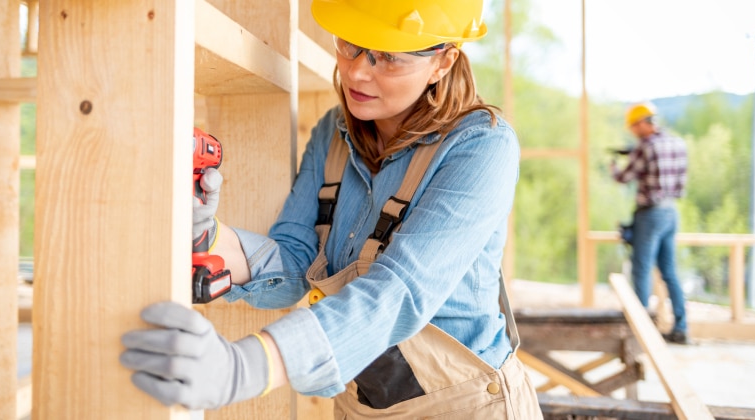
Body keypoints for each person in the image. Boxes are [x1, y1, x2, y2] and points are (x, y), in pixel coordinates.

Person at [120, 0, 543, 417]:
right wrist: (206, 236)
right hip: (360, 404)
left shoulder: (482, 147)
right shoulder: (333, 133)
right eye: (349, 44)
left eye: (388, 58)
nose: (357, 71)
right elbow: (294, 259)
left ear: (443, 62)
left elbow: (398, 293)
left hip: (467, 405)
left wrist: (244, 367)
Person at [611, 102, 689, 344]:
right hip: (670, 213)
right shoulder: (678, 143)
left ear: (643, 123)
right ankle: (681, 327)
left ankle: (640, 330)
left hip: (650, 214)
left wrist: (615, 166)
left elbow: (624, 178)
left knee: (641, 269)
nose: (633, 131)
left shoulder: (646, 147)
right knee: (669, 272)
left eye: (634, 127)